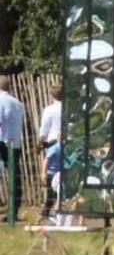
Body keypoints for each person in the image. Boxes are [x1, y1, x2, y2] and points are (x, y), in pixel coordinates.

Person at [0, 78, 23, 223]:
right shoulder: (17, 103)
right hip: (15, 142)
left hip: (2, 139)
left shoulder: (0, 100)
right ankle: (13, 212)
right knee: (15, 176)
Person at [38, 92, 61, 220]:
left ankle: (48, 210)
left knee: (52, 184)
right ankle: (50, 210)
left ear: (52, 95)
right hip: (65, 145)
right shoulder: (69, 109)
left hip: (53, 142)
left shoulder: (49, 110)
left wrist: (39, 143)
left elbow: (44, 129)